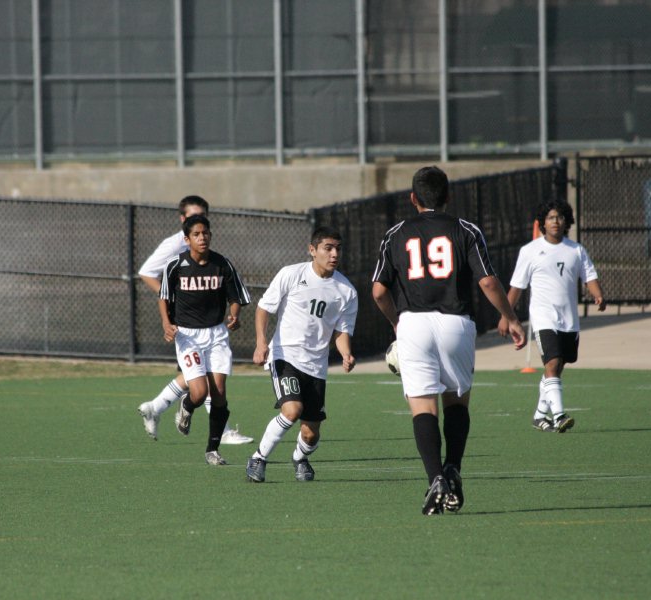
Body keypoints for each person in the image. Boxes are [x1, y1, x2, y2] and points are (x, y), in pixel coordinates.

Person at [371, 166, 526, 516]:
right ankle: (453, 467)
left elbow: (379, 291)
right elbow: (487, 282)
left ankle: (435, 479)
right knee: (456, 403)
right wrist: (511, 318)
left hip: (413, 324)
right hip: (456, 323)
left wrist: (398, 323)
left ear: (413, 199)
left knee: (423, 407)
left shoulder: (395, 233)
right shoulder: (465, 229)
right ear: (448, 196)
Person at [245, 227, 358, 483]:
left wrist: (346, 354)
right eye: (328, 248)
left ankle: (299, 458)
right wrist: (261, 343)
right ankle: (258, 458)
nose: (334, 254)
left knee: (310, 434)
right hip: (284, 355)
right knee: (292, 410)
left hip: (316, 366)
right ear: (312, 250)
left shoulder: (347, 291)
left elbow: (342, 331)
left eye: (338, 248)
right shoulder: (291, 274)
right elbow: (264, 308)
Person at [137, 196, 253, 445]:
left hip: (210, 326)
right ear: (183, 222)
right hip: (187, 327)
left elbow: (234, 293)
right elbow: (146, 273)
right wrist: (172, 305)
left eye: (204, 221)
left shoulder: (217, 259)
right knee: (199, 385)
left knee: (204, 382)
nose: (201, 234)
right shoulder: (174, 247)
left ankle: (157, 408)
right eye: (192, 220)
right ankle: (221, 432)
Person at [498, 199, 606, 433]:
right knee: (552, 363)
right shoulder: (529, 251)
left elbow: (589, 276)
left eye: (559, 217)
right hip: (543, 317)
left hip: (569, 320)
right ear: (542, 223)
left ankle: (539, 415)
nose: (555, 221)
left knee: (556, 369)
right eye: (550, 218)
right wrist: (506, 316)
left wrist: (598, 295)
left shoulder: (576, 250)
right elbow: (517, 287)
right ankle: (559, 415)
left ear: (566, 221)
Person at [160, 214, 252, 465]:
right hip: (188, 336)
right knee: (199, 393)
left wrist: (234, 316)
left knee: (219, 393)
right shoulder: (175, 265)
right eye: (197, 234)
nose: (202, 238)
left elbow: (236, 298)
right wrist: (167, 324)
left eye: (206, 233)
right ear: (187, 239)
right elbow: (164, 297)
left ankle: (212, 450)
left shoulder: (222, 264)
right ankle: (187, 406)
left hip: (217, 334)